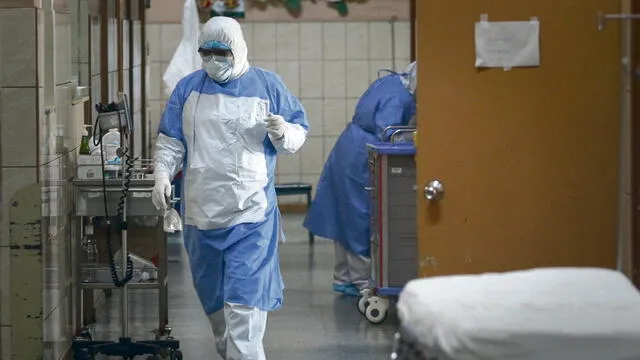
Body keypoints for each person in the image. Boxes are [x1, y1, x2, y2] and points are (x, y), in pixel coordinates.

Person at [152, 16, 308, 360]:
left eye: (220, 53)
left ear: (237, 49)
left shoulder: (268, 86)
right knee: (219, 318)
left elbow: (298, 132)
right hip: (201, 216)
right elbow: (170, 142)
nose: (213, 60)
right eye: (206, 52)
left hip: (251, 216)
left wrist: (284, 133)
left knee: (244, 312)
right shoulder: (188, 89)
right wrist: (162, 173)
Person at [303, 62, 417, 297]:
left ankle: (343, 277)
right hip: (361, 154)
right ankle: (363, 282)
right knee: (359, 217)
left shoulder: (391, 80)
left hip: (349, 147)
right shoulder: (401, 98)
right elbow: (387, 132)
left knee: (344, 214)